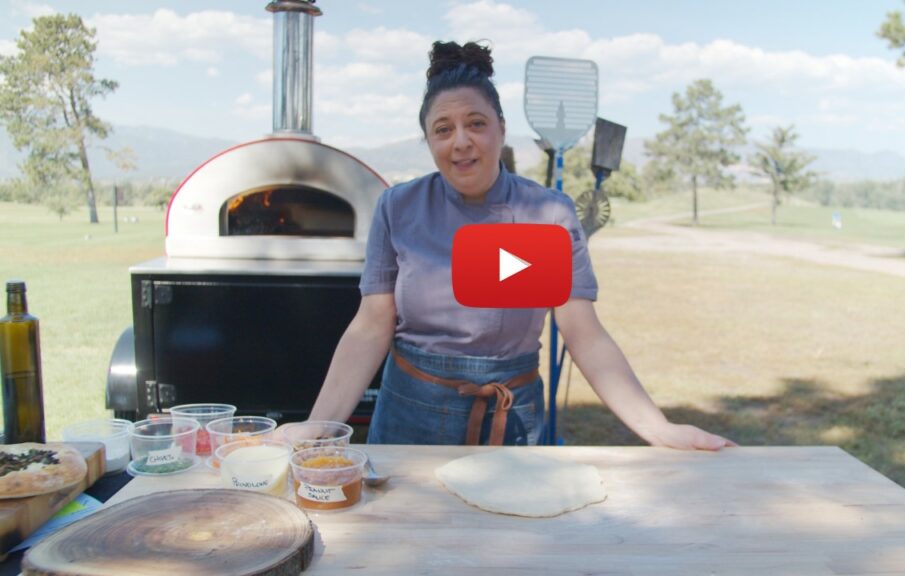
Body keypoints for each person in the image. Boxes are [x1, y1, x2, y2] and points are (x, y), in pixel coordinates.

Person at [308, 40, 735, 451]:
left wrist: (658, 428)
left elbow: (583, 334)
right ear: (428, 140)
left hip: (510, 419)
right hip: (408, 416)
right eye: (443, 129)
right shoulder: (397, 207)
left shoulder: (549, 213)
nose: (461, 141)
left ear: (501, 129)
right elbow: (370, 326)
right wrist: (316, 427)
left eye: (476, 123)